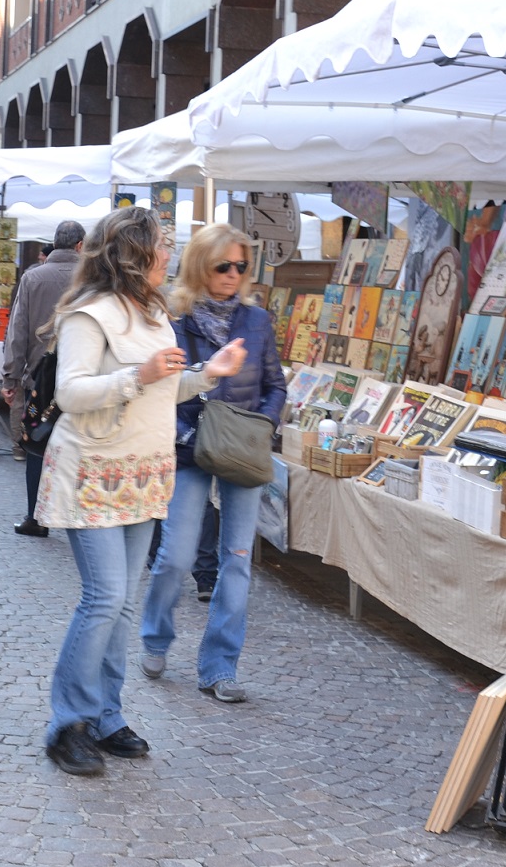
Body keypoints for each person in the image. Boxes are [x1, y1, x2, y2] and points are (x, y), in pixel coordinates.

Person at [39, 208, 246, 777]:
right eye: (162, 245)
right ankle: (67, 724)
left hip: (143, 472)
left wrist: (208, 373)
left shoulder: (154, 313)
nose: (169, 255)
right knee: (104, 597)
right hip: (94, 472)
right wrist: (140, 376)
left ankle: (107, 714)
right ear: (135, 251)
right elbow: (72, 393)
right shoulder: (90, 314)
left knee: (125, 603)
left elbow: (164, 388)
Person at [139, 225, 284, 704]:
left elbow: (275, 384)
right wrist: (187, 434)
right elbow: (164, 388)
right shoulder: (175, 318)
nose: (233, 274)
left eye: (241, 266)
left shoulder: (257, 321)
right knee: (176, 556)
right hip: (189, 448)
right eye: (224, 265)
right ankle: (155, 636)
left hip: (242, 449)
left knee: (237, 561)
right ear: (202, 266)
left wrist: (259, 425)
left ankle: (220, 666)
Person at [0, 220, 83, 534]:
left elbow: (17, 331)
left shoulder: (32, 277)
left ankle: (36, 517)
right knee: (79, 444)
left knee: (37, 443)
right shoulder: (93, 278)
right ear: (79, 246)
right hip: (83, 373)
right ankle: (76, 514)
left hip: (40, 376)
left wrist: (10, 379)